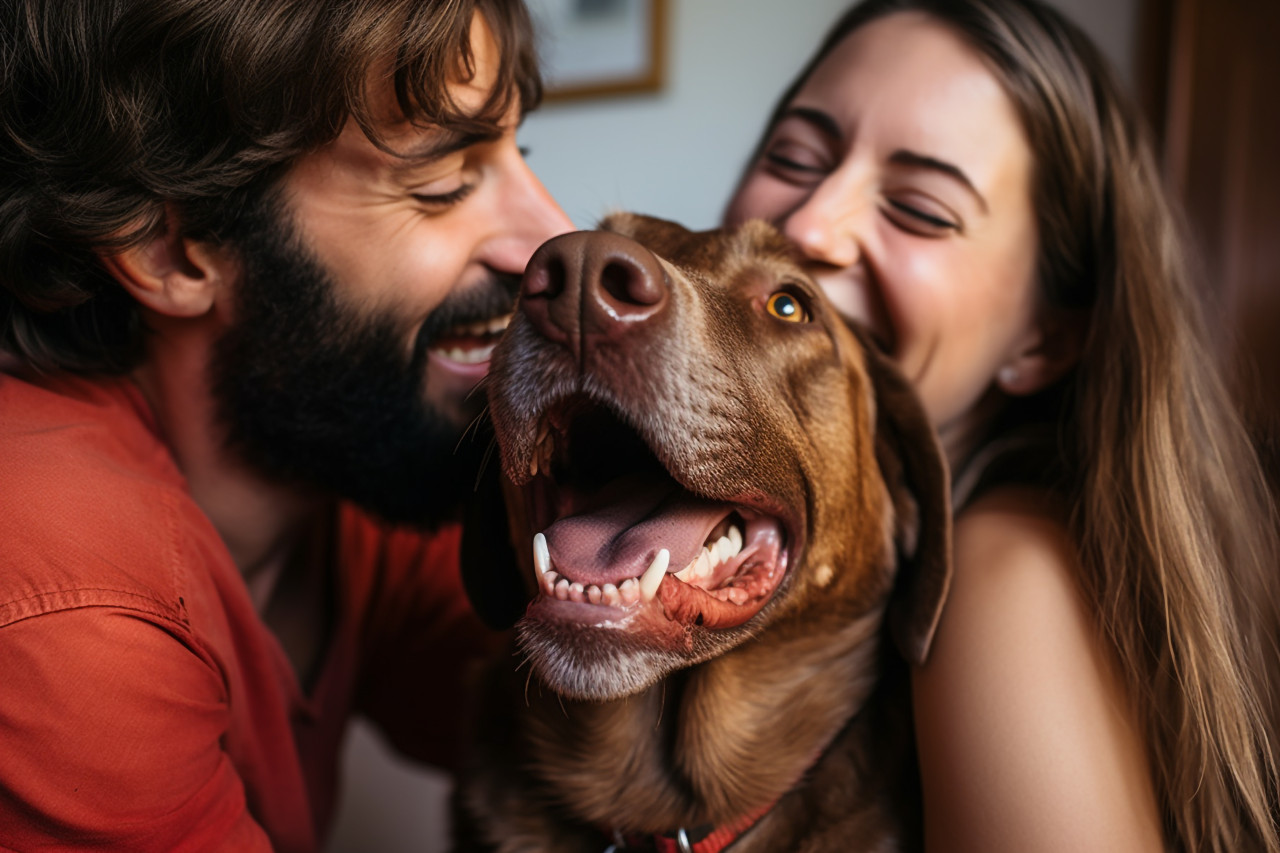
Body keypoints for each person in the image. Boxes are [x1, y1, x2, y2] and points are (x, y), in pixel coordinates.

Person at [0, 1, 570, 850]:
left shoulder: (343, 458)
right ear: (169, 247)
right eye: (443, 182)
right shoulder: (67, 598)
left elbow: (593, 748)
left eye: (518, 154)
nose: (553, 235)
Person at [723, 0, 1280, 850]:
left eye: (921, 209)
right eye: (793, 157)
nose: (808, 226)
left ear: (1043, 339)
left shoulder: (1001, 574)